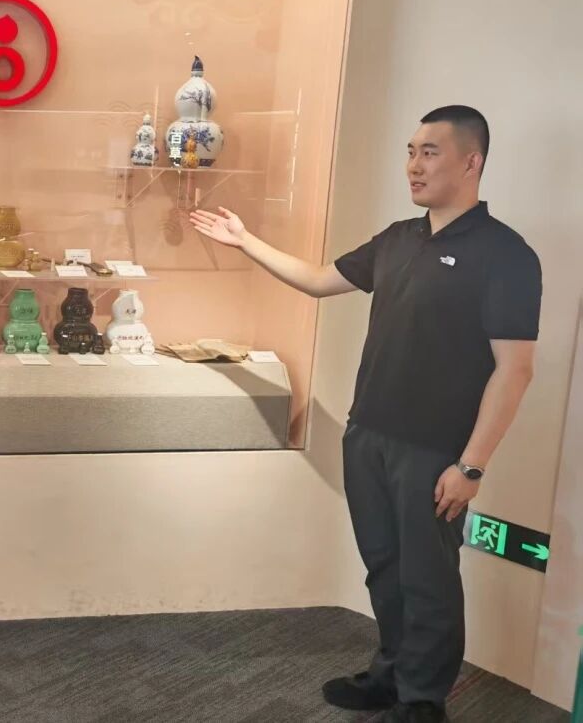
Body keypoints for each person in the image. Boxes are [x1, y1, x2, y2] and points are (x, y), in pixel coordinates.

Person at [191, 106, 541, 723]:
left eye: (430, 152)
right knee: (385, 567)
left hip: (436, 451)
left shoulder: (505, 254)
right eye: (410, 151)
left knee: (428, 580)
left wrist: (472, 466)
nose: (413, 165)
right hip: (369, 435)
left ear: (472, 162)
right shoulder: (399, 239)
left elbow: (514, 371)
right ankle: (391, 675)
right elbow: (318, 279)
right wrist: (245, 241)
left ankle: (422, 700)